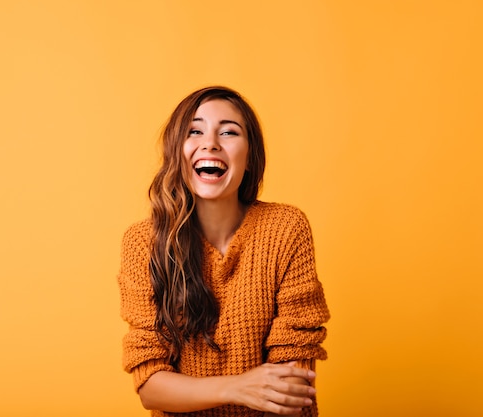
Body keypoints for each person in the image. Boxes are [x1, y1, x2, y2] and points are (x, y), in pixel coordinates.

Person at [118, 86, 330, 417]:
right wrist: (237, 387)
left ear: (249, 158)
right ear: (177, 152)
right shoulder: (143, 243)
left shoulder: (286, 228)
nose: (211, 142)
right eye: (195, 131)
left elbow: (292, 383)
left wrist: (251, 388)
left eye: (229, 131)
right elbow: (151, 384)